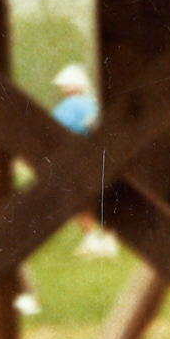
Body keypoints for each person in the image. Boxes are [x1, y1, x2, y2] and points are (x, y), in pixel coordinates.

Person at [50, 64, 116, 256]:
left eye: (64, 85)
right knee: (103, 199)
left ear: (73, 86)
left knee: (77, 200)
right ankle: (108, 240)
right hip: (98, 158)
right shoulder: (93, 103)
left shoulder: (69, 106)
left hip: (75, 159)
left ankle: (91, 239)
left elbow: (53, 129)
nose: (62, 89)